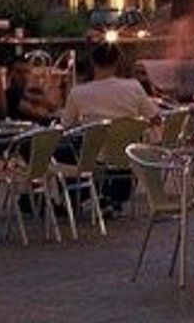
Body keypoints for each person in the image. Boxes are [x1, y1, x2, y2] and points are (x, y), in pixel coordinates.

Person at [58, 39, 158, 210]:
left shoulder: (78, 92)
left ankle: (71, 198)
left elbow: (66, 126)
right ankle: (107, 196)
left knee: (59, 149)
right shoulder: (134, 87)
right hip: (124, 153)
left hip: (91, 155)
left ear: (92, 61)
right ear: (117, 61)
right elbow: (154, 116)